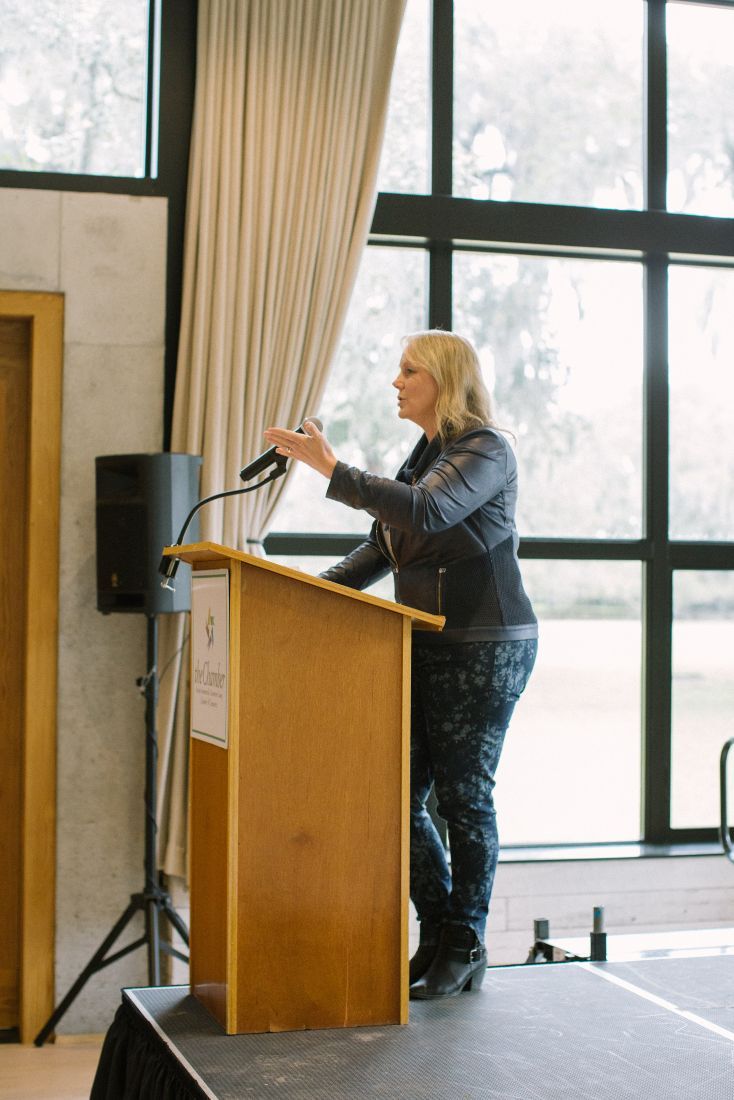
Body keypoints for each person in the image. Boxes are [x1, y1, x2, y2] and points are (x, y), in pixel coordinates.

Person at [263, 329, 537, 1000]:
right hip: (425, 643)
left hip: (484, 647)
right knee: (395, 796)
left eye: (409, 370)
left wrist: (334, 471)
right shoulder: (425, 457)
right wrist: (299, 596)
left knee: (464, 797)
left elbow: (429, 512)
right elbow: (382, 549)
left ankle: (466, 942)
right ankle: (438, 930)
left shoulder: (486, 450)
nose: (396, 381)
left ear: (444, 380)